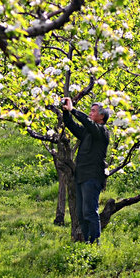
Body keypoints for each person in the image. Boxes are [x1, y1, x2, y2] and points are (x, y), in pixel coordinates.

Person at [61, 97, 110, 244]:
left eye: (93, 111)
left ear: (102, 116)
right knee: (81, 214)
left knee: (90, 212)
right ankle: (87, 243)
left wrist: (73, 110)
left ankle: (95, 243)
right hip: (81, 177)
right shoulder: (87, 133)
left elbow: (88, 123)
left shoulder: (101, 131)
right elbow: (71, 125)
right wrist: (66, 113)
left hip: (92, 177)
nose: (90, 113)